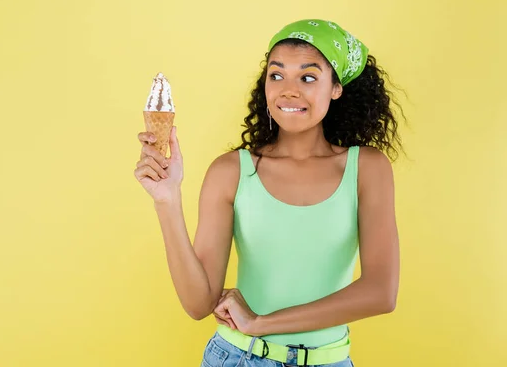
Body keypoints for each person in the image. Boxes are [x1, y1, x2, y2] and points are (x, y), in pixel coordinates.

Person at [134, 19, 402, 367]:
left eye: (308, 77)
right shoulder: (231, 171)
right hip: (236, 357)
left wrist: (262, 323)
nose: (288, 90)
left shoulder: (367, 168)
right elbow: (199, 304)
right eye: (276, 75)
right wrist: (166, 201)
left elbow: (381, 293)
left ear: (336, 87)